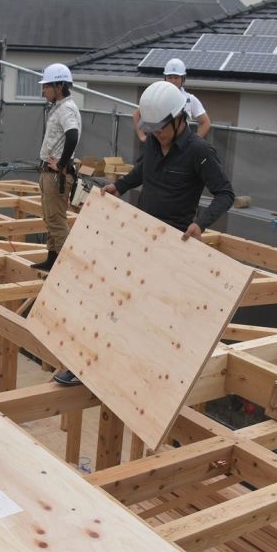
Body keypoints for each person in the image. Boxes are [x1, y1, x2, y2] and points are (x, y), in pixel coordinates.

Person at [49, 80, 234, 387]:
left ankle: (139, 378)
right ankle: (84, 366)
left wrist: (201, 223)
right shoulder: (152, 143)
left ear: (178, 120)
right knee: (109, 298)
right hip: (140, 234)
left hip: (171, 244)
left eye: (161, 128)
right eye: (152, 129)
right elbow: (142, 169)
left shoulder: (200, 152)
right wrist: (119, 186)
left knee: (147, 316)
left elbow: (225, 194)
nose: (156, 134)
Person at [31, 63, 81, 272]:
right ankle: (52, 260)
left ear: (59, 85)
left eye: (47, 86)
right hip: (49, 174)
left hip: (56, 175)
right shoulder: (59, 107)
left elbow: (72, 135)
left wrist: (61, 165)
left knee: (57, 221)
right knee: (50, 219)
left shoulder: (67, 108)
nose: (44, 90)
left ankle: (65, 268)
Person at [133, 58, 211, 142]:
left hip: (179, 145)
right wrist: (142, 136)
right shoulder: (157, 96)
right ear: (165, 78)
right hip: (158, 142)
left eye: (176, 77)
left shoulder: (189, 99)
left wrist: (193, 142)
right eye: (170, 77)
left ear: (183, 79)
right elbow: (136, 115)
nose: (173, 81)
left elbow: (205, 122)